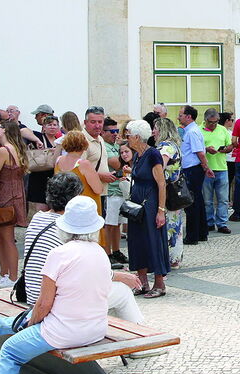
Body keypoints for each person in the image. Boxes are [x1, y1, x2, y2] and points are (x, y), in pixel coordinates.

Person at [0, 195, 112, 374]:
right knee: (29, 321)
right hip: (95, 328)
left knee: (9, 351)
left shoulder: (60, 254)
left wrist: (29, 323)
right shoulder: (100, 253)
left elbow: (43, 306)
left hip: (64, 331)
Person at [22, 175, 145, 326]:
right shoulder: (71, 230)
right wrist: (121, 276)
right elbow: (91, 271)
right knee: (122, 292)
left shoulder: (37, 218)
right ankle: (144, 340)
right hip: (53, 302)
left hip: (33, 294)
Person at [125, 119, 169, 298]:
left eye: (128, 135)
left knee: (153, 240)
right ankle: (142, 282)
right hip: (137, 204)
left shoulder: (153, 155)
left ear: (137, 136)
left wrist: (161, 210)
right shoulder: (138, 155)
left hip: (150, 203)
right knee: (136, 241)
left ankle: (159, 283)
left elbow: (161, 183)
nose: (126, 138)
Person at [0, 122, 29, 288]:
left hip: (7, 195)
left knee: (6, 236)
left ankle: (11, 276)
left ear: (4, 131)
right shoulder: (13, 148)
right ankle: (5, 272)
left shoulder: (4, 150)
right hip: (13, 194)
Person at [152, 117, 187, 268]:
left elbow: (159, 167)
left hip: (166, 191)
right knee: (176, 225)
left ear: (162, 130)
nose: (153, 132)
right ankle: (175, 258)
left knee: (169, 224)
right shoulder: (174, 145)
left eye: (155, 129)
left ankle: (169, 258)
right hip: (174, 190)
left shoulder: (165, 148)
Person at [179, 105, 213, 243]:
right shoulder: (191, 130)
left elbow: (200, 152)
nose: (178, 117)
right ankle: (201, 232)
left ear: (188, 116)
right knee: (197, 201)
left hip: (192, 169)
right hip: (193, 168)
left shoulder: (192, 132)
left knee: (192, 203)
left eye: (180, 115)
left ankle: (193, 235)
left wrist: (206, 167)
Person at [201, 109, 233, 234]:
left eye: (216, 122)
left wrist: (226, 149)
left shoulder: (222, 129)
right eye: (211, 122)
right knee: (207, 200)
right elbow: (195, 149)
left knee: (223, 199)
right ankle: (209, 222)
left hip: (222, 167)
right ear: (205, 120)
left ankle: (222, 223)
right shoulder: (199, 130)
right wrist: (206, 149)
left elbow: (230, 145)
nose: (214, 125)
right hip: (206, 168)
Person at [101, 117, 126, 266]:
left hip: (119, 189)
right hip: (110, 190)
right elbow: (117, 164)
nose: (116, 134)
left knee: (117, 224)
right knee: (108, 224)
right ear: (104, 132)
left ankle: (116, 251)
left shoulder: (116, 146)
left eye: (117, 131)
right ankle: (107, 253)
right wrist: (126, 154)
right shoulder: (104, 146)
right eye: (112, 131)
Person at [27, 115, 61, 214]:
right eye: (49, 125)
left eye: (55, 125)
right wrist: (37, 141)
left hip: (54, 177)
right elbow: (22, 130)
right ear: (44, 127)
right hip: (39, 176)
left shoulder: (60, 140)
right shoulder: (38, 137)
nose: (52, 127)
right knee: (40, 209)